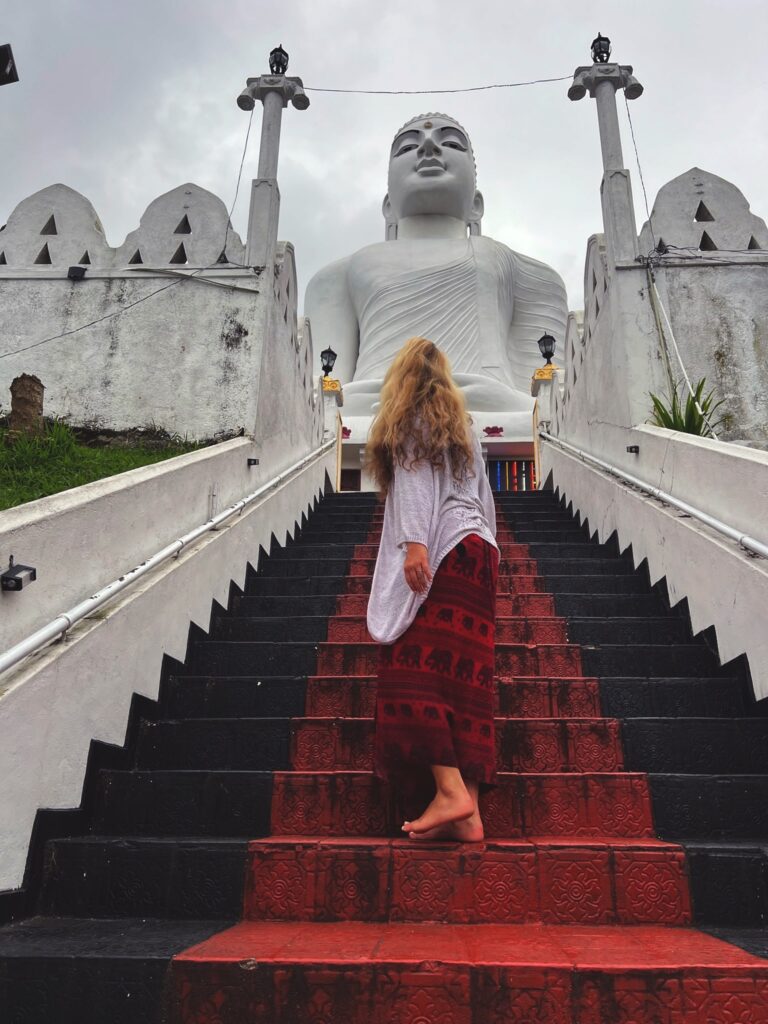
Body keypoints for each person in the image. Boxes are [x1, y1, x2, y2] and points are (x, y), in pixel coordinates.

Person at [364, 336, 499, 842]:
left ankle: (449, 790)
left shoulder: (412, 415)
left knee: (410, 671)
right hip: (479, 552)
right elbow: (484, 497)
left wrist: (415, 544)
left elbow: (417, 484)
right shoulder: (462, 424)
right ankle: (470, 812)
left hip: (444, 548)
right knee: (463, 680)